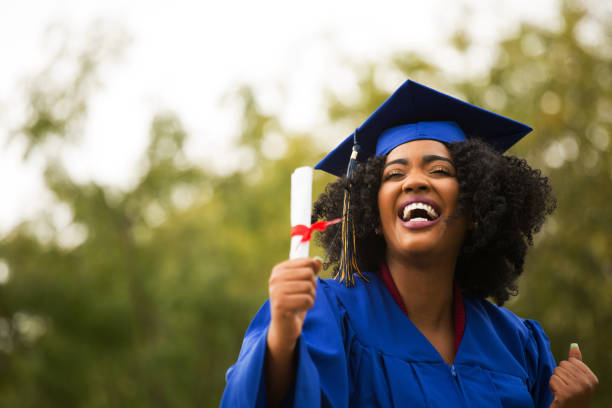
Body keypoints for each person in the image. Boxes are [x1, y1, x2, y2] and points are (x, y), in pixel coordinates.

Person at [220, 80, 598, 407]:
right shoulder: (326, 313)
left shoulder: (519, 346)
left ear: (477, 207)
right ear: (372, 212)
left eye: (439, 170)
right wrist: (282, 337)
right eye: (394, 174)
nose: (413, 182)